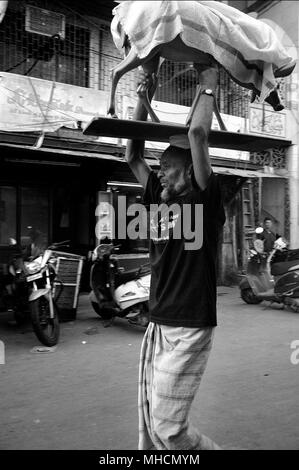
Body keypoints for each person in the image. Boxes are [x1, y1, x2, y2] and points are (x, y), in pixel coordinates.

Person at [125, 60, 225, 450]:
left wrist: (209, 81)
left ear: (188, 171)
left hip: (190, 323)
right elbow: (132, 155)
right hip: (160, 321)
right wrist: (142, 94)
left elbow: (198, 132)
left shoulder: (205, 199)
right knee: (153, 423)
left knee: (169, 429)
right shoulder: (157, 200)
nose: (160, 174)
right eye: (160, 168)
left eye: (167, 168)